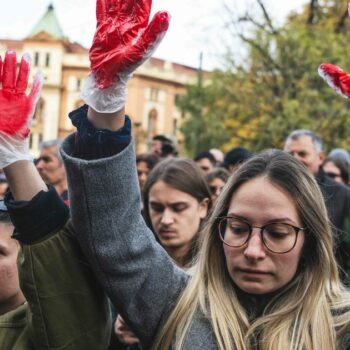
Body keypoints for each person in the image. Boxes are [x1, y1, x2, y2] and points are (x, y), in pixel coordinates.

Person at [55, 1, 350, 347]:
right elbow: (115, 235)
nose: (253, 251)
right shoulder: (176, 304)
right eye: (238, 228)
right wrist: (107, 99)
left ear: (310, 241)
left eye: (278, 232)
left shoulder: (341, 327)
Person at [0, 50, 111, 349]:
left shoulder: (44, 335)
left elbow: (63, 286)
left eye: (0, 253)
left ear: (27, 264)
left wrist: (15, 158)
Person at [115, 157, 212, 348]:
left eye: (178, 208)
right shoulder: (134, 266)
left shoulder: (219, 270)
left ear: (203, 207)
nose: (166, 220)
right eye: (157, 208)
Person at [284, 129, 350, 280]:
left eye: (302, 154)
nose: (295, 159)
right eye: (289, 154)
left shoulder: (343, 195)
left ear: (320, 157)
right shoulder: (271, 192)